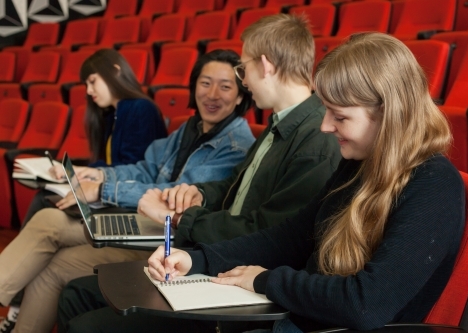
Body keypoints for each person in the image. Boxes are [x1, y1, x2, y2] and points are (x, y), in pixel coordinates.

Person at [64, 32, 465, 333]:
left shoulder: (432, 186)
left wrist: (263, 280)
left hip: (310, 322)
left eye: (339, 117)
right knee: (79, 298)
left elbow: (366, 304)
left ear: (389, 113)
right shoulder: (361, 164)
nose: (326, 127)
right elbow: (289, 238)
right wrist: (197, 262)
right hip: (293, 313)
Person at [57, 13, 341, 333]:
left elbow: (269, 233)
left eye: (242, 68)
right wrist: (201, 192)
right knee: (77, 293)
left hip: (243, 279)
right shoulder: (280, 123)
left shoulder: (315, 140)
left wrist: (180, 218)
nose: (243, 80)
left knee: (87, 324)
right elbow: (236, 183)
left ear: (265, 66)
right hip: (221, 257)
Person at [0, 49, 256, 333]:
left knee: (49, 226)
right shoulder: (190, 129)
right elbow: (146, 169)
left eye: (225, 86)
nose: (212, 94)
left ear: (241, 95)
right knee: (53, 257)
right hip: (147, 228)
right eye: (205, 83)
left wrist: (104, 189)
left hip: (169, 246)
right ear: (194, 85)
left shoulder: (236, 147)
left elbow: (171, 197)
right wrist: (100, 174)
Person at [0, 48, 169, 333]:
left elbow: (135, 166)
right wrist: (83, 171)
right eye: (86, 84)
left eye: (93, 81)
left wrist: (93, 176)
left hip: (130, 203)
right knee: (46, 200)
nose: (88, 90)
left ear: (115, 71)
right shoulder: (111, 113)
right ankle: (17, 299)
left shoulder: (137, 108)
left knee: (46, 205)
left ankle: (16, 299)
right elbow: (113, 163)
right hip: (117, 193)